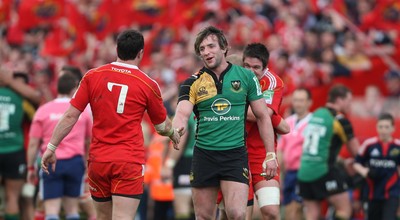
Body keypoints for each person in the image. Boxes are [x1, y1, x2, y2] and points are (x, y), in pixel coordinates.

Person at [40, 29, 182, 220]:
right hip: (128, 161)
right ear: (141, 53)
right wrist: (173, 133)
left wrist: (52, 146)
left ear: (116, 49)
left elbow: (70, 116)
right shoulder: (148, 84)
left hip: (99, 161)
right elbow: (161, 127)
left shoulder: (93, 76)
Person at [172, 26, 276, 220]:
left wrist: (270, 154)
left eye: (211, 46)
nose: (206, 52)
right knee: (204, 216)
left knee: (237, 213)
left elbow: (262, 116)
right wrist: (176, 128)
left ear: (224, 47)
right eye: (202, 49)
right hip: (204, 155)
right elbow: (182, 113)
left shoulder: (246, 77)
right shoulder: (192, 82)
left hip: (234, 155)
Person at [26, 73, 92, 220]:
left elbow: (32, 144)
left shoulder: (43, 110)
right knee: (72, 210)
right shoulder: (83, 111)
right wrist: (88, 166)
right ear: (74, 89)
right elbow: (90, 140)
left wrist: (31, 167)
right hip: (75, 162)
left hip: (50, 161)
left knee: (51, 211)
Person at [298, 84, 360, 220]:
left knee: (312, 215)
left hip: (304, 171)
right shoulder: (340, 120)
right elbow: (357, 153)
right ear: (339, 100)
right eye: (349, 101)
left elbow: (320, 148)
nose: (350, 105)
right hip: (323, 171)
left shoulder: (316, 114)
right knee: (344, 209)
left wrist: (342, 162)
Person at [242, 43, 289, 220]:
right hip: (236, 152)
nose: (251, 71)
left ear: (265, 67)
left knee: (271, 212)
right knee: (237, 213)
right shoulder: (233, 78)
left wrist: (234, 107)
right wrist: (279, 121)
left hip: (262, 153)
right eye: (247, 66)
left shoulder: (272, 81)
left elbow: (262, 115)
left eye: (256, 67)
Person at [0, 69, 36, 220]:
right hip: (14, 150)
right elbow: (37, 100)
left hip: (13, 148)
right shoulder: (19, 97)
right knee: (13, 197)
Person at [353, 113, 400, 220]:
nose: (383, 130)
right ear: (376, 128)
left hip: (391, 193)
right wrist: (365, 171)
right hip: (372, 193)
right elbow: (356, 163)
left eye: (387, 127)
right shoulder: (369, 144)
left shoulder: (397, 146)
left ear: (393, 128)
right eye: (381, 127)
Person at [277, 88, 313, 220]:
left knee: (298, 209)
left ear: (309, 102)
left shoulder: (313, 122)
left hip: (304, 173)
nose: (298, 104)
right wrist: (278, 173)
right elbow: (280, 149)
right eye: (296, 100)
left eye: (301, 101)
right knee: (287, 209)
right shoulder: (288, 122)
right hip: (289, 174)